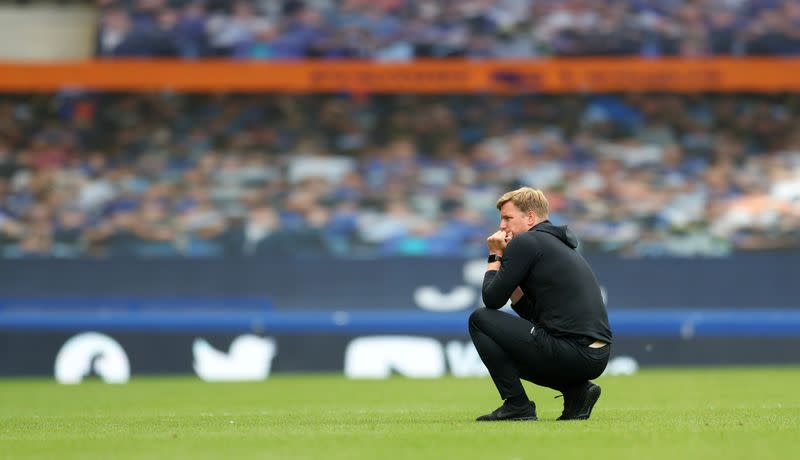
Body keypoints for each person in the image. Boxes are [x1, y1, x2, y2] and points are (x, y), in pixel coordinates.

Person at [469, 187, 613, 421]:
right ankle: (576, 391)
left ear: (531, 218)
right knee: (505, 340)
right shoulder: (555, 243)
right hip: (596, 355)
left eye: (508, 218)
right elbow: (537, 315)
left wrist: (495, 256)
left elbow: (492, 301)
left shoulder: (526, 241)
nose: (502, 226)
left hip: (572, 351)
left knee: (480, 320)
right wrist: (510, 275)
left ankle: (517, 405)